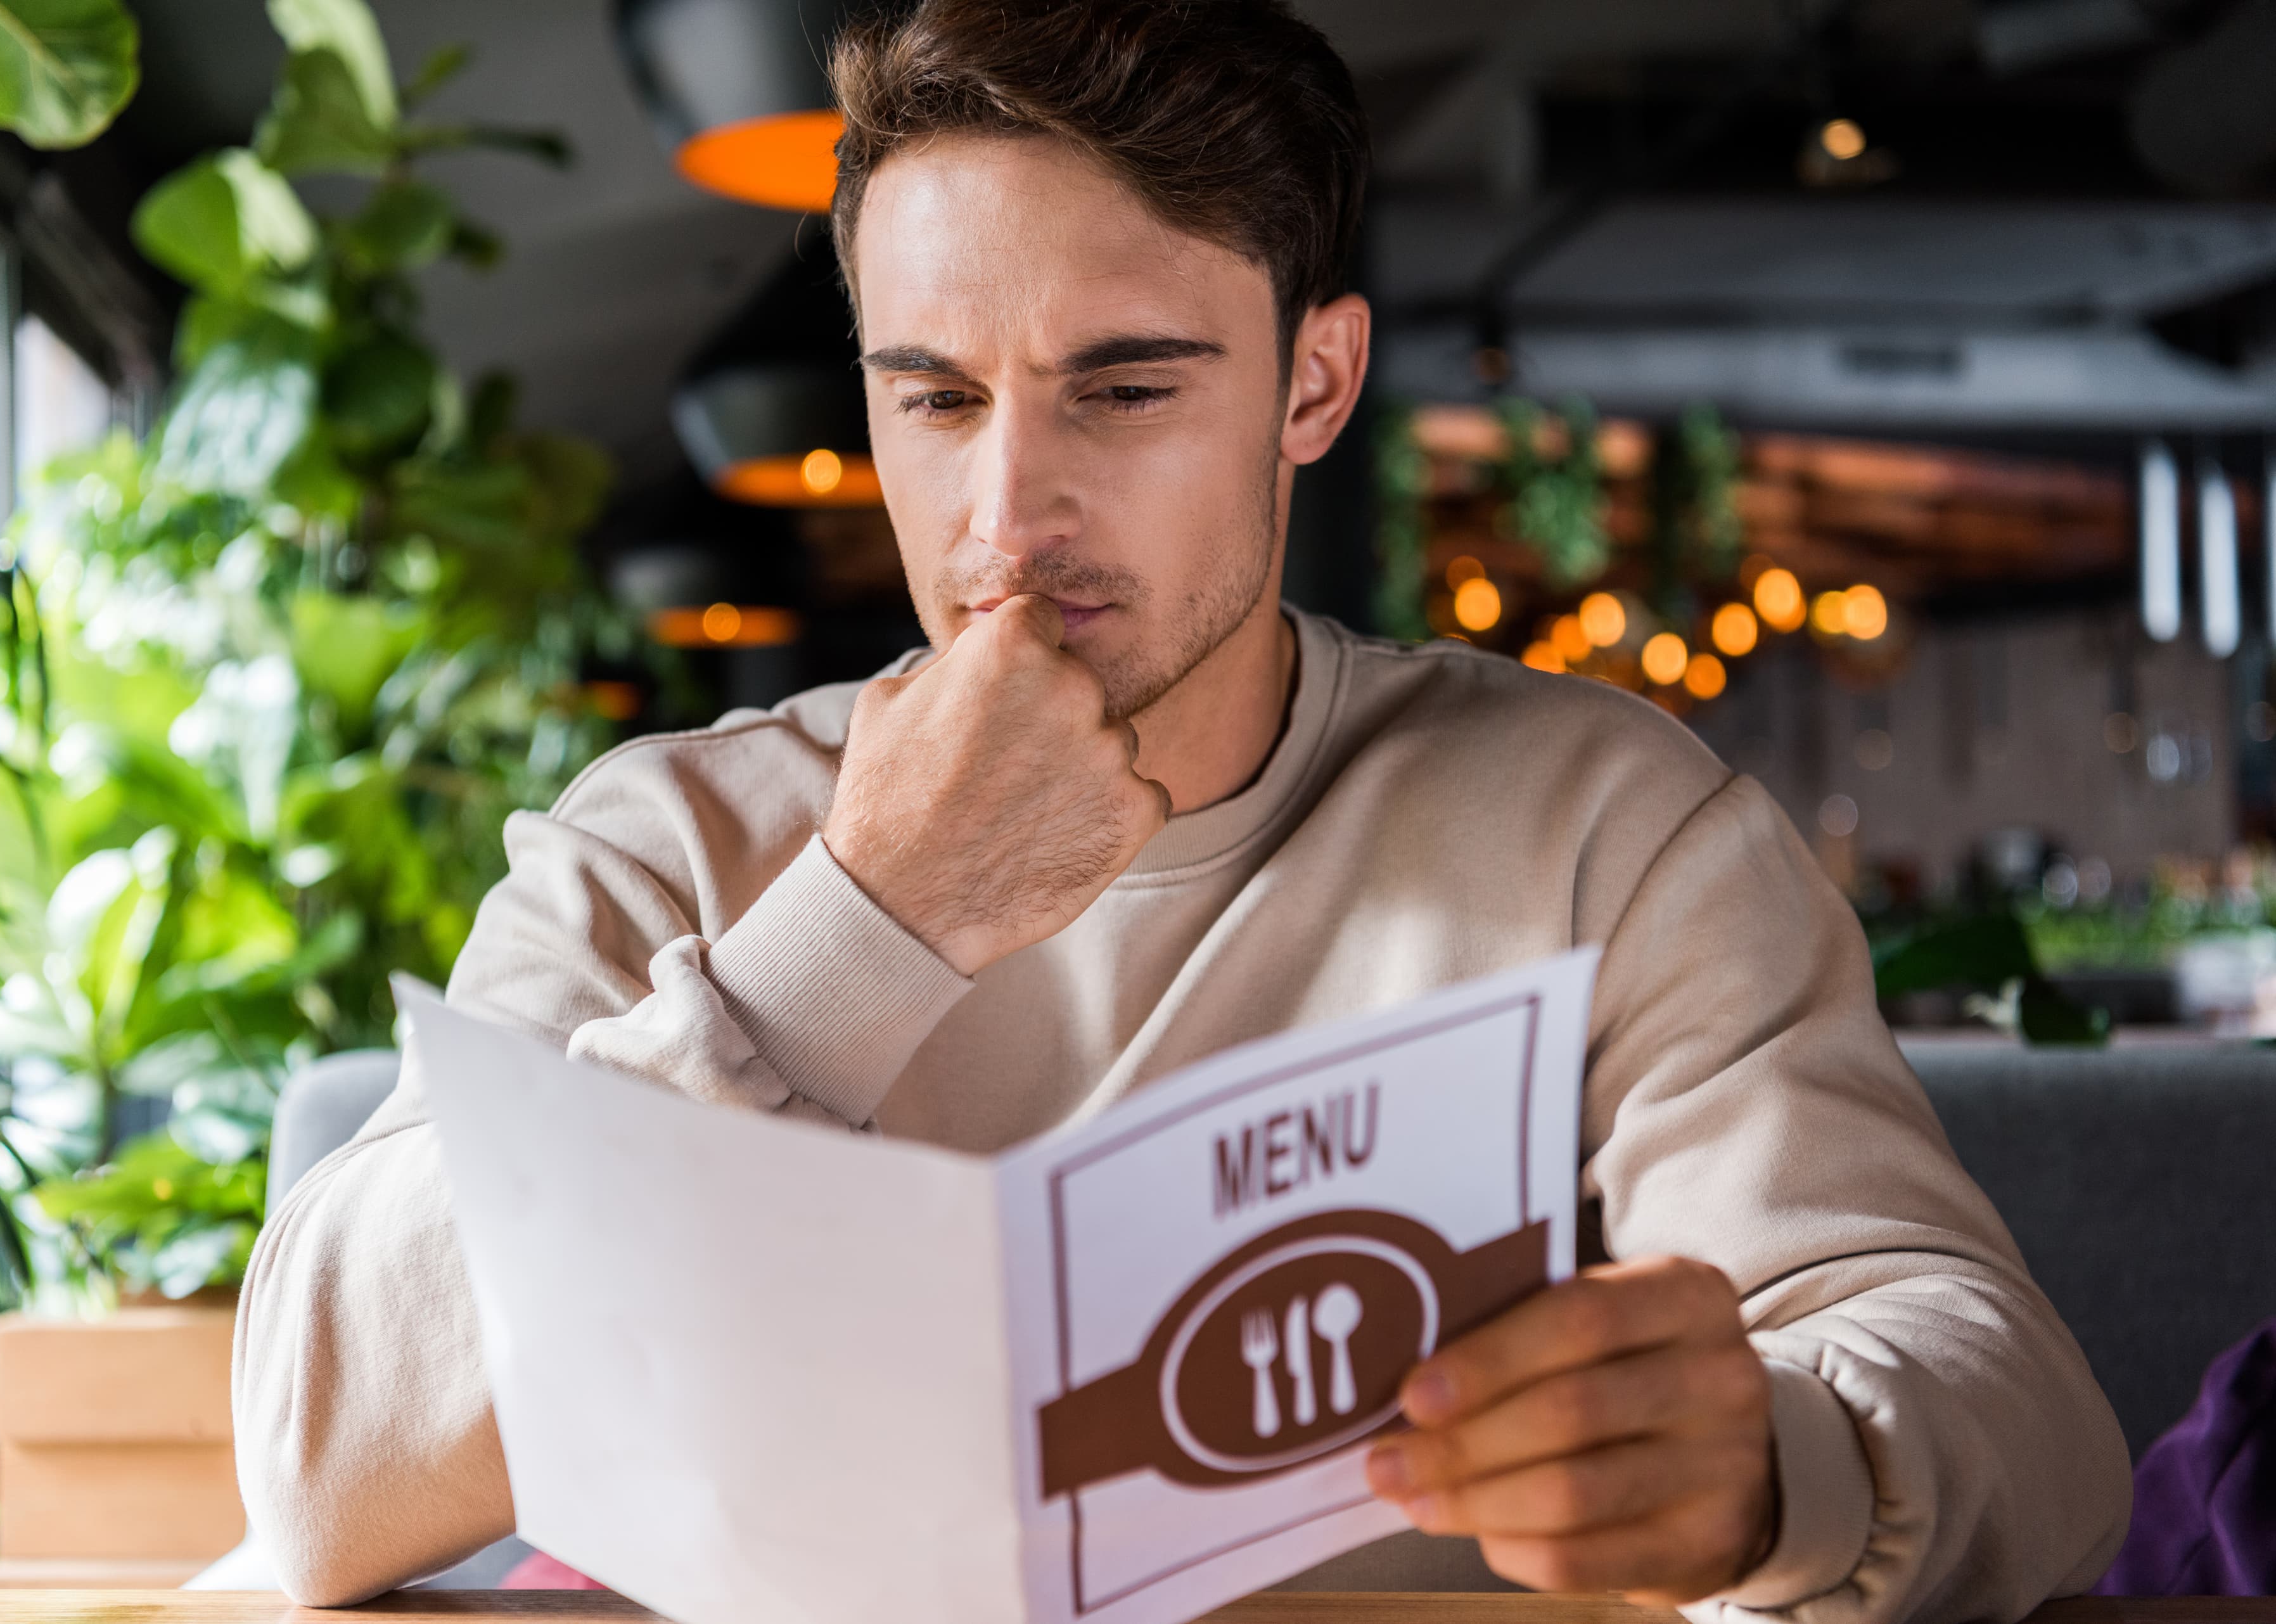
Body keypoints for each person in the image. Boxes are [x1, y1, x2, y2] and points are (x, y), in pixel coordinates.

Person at [232, 1, 2130, 1617]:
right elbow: (316, 1467)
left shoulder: (1600, 825)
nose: (1003, 520)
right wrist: (857, 925)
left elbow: (2011, 1398)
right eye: (937, 400)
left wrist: (1777, 1459)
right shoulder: (673, 840)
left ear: (1314, 382)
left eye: (1123, 389)